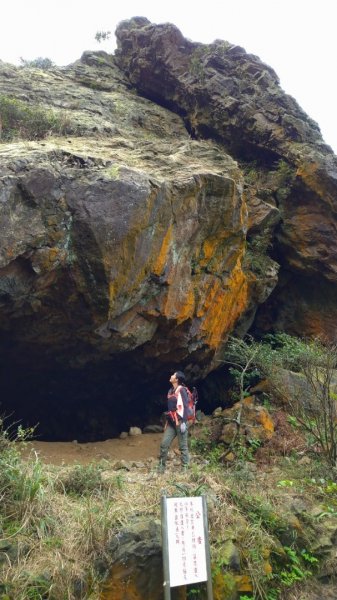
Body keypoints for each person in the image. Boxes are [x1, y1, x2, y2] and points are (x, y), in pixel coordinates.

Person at [158, 370, 190, 473]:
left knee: (183, 447)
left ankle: (185, 469)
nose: (171, 376)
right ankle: (161, 468)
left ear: (177, 379)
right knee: (164, 444)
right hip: (172, 423)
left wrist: (184, 422)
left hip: (180, 422)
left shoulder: (181, 390)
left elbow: (185, 406)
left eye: (173, 375)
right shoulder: (171, 390)